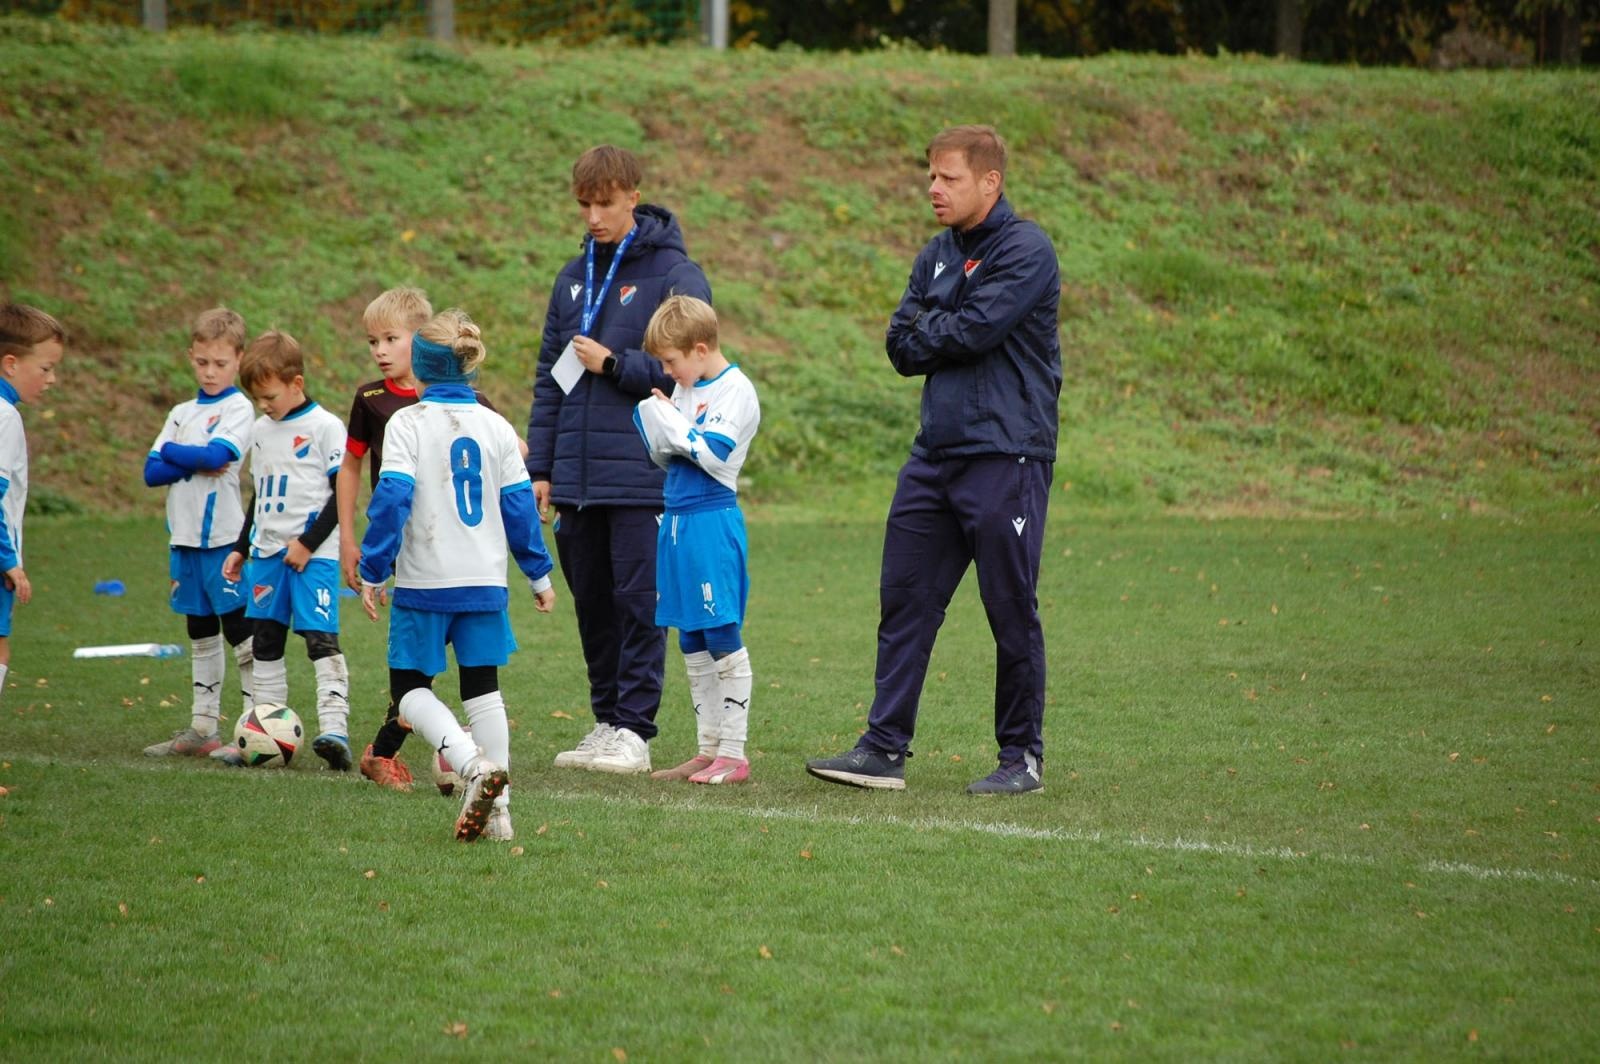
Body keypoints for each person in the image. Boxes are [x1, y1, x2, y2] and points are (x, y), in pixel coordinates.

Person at [805, 125, 1062, 795]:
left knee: (1010, 608)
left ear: (989, 182)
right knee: (905, 601)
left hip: (1007, 455)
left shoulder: (1026, 249)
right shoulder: (935, 254)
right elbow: (900, 346)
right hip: (934, 458)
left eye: (948, 178)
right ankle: (884, 747)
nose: (934, 188)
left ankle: (1021, 757)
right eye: (931, 176)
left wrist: (937, 325)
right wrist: (943, 326)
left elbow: (977, 330)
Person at [526, 144, 712, 776]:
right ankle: (606, 721)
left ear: (634, 196)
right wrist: (541, 466)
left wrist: (614, 363)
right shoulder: (572, 277)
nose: (593, 216)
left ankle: (635, 729)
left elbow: (689, 369)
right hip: (577, 479)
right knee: (594, 603)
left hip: (640, 474)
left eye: (604, 203)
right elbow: (550, 379)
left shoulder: (673, 273)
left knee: (638, 603)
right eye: (584, 203)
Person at [358, 310, 556, 842]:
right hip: (485, 581)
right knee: (483, 689)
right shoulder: (496, 427)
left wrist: (373, 568)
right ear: (468, 371)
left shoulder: (407, 423)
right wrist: (538, 575)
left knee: (408, 692)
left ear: (420, 372)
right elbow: (519, 509)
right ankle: (502, 813)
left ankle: (472, 765)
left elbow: (393, 497)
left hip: (426, 580)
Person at [335, 286, 516, 792]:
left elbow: (504, 448)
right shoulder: (372, 400)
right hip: (427, 557)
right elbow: (352, 468)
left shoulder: (449, 410)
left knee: (415, 681)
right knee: (448, 680)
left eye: (391, 338)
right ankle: (470, 769)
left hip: (432, 558)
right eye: (373, 340)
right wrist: (351, 539)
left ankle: (432, 755)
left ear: (425, 344)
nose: (380, 350)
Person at [632, 296, 761, 785]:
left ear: (701, 349)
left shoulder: (735, 390)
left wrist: (673, 424)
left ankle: (735, 752)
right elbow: (669, 456)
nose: (669, 372)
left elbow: (711, 453)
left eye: (672, 362)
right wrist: (658, 424)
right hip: (677, 520)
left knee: (721, 631)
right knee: (690, 633)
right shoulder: (687, 388)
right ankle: (708, 749)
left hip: (712, 520)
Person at [221, 330, 353, 770]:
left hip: (313, 558)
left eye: (270, 395)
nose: (264, 405)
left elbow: (343, 496)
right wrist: (242, 547)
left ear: (296, 383)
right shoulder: (260, 431)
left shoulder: (326, 427)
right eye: (257, 398)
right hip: (266, 556)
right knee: (266, 641)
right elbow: (259, 496)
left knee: (320, 639)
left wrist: (307, 543)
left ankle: (335, 730)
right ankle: (262, 730)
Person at [142, 307, 258, 758]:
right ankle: (202, 727)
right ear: (191, 356)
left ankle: (253, 728)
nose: (210, 372)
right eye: (202, 362)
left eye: (221, 364)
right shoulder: (181, 412)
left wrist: (174, 453)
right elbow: (152, 472)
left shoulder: (239, 407)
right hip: (184, 540)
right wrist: (183, 453)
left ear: (239, 360)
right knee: (200, 631)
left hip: (224, 540)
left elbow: (218, 455)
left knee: (240, 632)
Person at [0, 305, 66, 707]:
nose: (52, 378)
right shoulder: (5, 418)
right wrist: (9, 560)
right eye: (45, 368)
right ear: (10, 364)